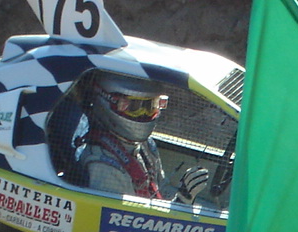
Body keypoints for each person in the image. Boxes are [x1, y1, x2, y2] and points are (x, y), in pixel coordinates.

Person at [76, 72, 211, 203]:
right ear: (108, 102)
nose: (144, 114)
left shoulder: (146, 145)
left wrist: (181, 196)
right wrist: (182, 200)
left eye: (151, 106)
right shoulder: (103, 166)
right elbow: (124, 215)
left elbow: (161, 190)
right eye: (134, 108)